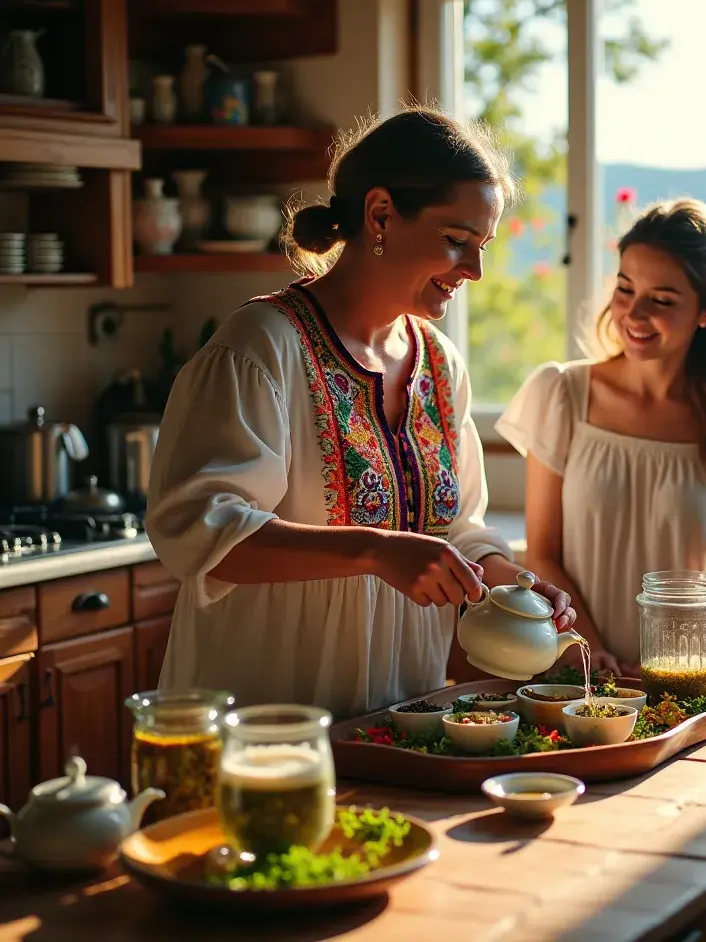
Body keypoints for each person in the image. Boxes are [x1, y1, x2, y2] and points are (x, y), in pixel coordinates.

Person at [146, 106, 575, 715]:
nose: (474, 271)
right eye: (456, 242)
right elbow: (201, 533)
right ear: (380, 214)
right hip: (274, 714)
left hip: (404, 707)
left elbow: (455, 527)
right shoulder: (263, 347)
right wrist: (375, 550)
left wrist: (506, 577)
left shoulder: (439, 364)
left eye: (481, 247)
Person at [497, 198, 706, 681]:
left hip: (692, 669)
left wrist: (667, 660)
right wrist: (589, 649)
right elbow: (543, 553)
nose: (633, 314)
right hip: (578, 664)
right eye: (624, 289)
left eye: (661, 300)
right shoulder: (561, 395)